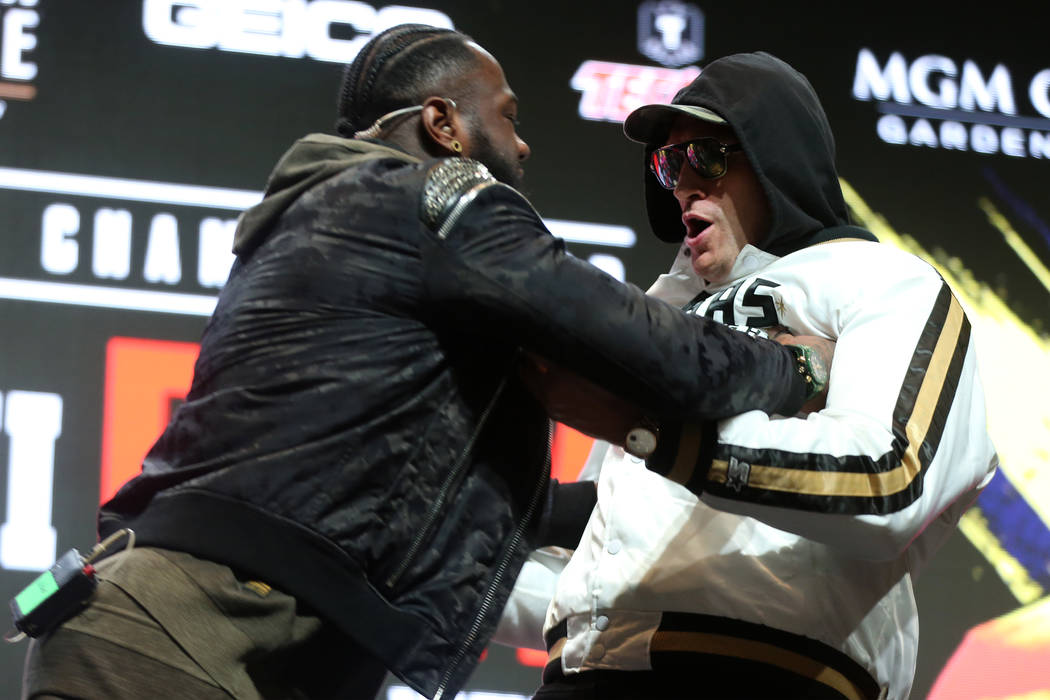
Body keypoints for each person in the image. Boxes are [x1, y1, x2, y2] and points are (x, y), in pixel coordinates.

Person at [18, 30, 830, 700]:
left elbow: (409, 491)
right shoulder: (434, 202)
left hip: (154, 629)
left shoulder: (335, 218)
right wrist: (798, 372)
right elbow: (641, 348)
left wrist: (646, 512)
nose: (521, 142)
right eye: (505, 117)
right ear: (443, 124)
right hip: (176, 646)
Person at [494, 52, 998, 700]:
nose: (681, 186)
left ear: (772, 157)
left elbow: (887, 477)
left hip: (767, 672)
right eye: (666, 165)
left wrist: (655, 432)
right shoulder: (660, 319)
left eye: (703, 156)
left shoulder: (883, 281)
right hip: (585, 673)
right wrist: (416, 557)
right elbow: (593, 572)